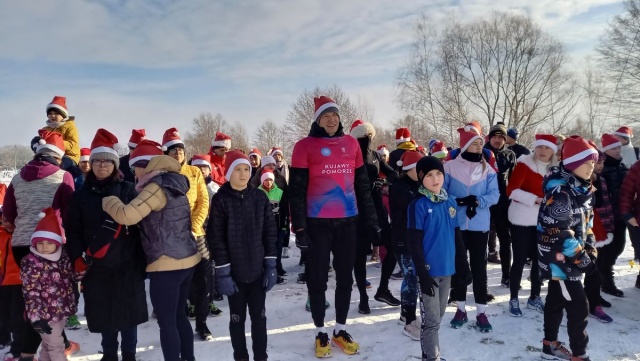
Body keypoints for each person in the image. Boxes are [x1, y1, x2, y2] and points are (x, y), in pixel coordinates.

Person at [289, 96, 378, 358]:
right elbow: (296, 191)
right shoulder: (304, 146)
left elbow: (363, 187)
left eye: (335, 115)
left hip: (348, 222)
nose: (331, 119)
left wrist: (371, 222)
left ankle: (340, 329)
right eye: (326, 115)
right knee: (317, 279)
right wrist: (300, 229)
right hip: (317, 224)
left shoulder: (351, 144)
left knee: (344, 278)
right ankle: (320, 331)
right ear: (317, 119)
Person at [102, 139, 200, 361]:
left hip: (166, 263)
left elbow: (127, 215)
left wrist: (109, 202)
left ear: (145, 166)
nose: (133, 172)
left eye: (135, 167)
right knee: (179, 317)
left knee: (167, 323)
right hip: (187, 258)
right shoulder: (176, 183)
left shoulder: (155, 187)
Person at [65, 129, 148, 361]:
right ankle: (109, 354)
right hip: (96, 265)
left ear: (114, 164)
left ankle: (129, 355)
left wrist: (142, 261)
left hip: (127, 264)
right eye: (97, 161)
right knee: (104, 314)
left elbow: (142, 228)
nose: (102, 165)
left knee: (129, 315)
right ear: (91, 164)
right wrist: (77, 256)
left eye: (107, 161)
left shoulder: (128, 190)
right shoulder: (80, 196)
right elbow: (73, 230)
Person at [2, 129, 79, 360]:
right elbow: (70, 212)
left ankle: (38, 349)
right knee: (51, 301)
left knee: (32, 299)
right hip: (52, 245)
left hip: (21, 246)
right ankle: (44, 349)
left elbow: (9, 213)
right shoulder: (62, 176)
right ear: (58, 156)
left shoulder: (17, 178)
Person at [208, 150, 277, 361]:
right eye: (237, 169)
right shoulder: (221, 200)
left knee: (260, 319)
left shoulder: (259, 197)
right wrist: (223, 272)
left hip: (257, 273)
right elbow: (216, 237)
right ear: (228, 173)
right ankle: (241, 357)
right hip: (234, 275)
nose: (243, 174)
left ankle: (260, 357)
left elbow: (269, 231)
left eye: (246, 169)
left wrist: (271, 265)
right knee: (237, 320)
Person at [537, 136, 596, 361]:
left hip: (570, 258)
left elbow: (586, 224)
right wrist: (581, 258)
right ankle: (580, 355)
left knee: (556, 299)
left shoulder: (582, 189)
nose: (591, 167)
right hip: (559, 260)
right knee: (579, 307)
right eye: (586, 162)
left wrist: (590, 247)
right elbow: (559, 233)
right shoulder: (560, 193)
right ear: (572, 163)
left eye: (593, 162)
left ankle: (549, 344)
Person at [445, 127, 500, 333]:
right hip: (457, 224)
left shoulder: (488, 170)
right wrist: (458, 201)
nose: (479, 146)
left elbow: (495, 195)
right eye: (474, 142)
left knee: (479, 268)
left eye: (480, 142)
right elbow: (442, 192)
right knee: (460, 268)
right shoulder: (449, 167)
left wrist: (478, 200)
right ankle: (460, 308)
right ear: (465, 144)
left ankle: (481, 312)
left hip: (479, 225)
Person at [161, 128, 213, 340]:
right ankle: (178, 322)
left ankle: (202, 322)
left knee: (204, 277)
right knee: (178, 280)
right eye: (173, 150)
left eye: (181, 150)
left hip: (196, 233)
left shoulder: (195, 172)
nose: (178, 153)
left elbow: (203, 201)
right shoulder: (161, 175)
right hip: (172, 236)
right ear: (166, 153)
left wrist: (195, 225)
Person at [407, 156, 459, 361]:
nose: (435, 179)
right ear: (421, 178)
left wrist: (463, 267)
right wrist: (422, 271)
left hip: (447, 269)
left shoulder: (450, 201)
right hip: (428, 271)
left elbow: (456, 236)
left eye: (439, 173)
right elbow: (414, 240)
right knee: (431, 321)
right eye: (429, 175)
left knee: (439, 316)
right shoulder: (418, 205)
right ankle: (431, 357)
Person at [349, 119, 399, 314]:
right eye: (363, 137)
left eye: (369, 136)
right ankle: (363, 297)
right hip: (358, 212)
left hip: (378, 211)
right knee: (359, 256)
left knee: (392, 249)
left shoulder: (377, 156)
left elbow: (393, 174)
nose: (367, 139)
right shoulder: (350, 157)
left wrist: (383, 183)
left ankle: (383, 289)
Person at [506, 134, 557, 317]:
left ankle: (535, 296)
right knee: (519, 259)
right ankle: (513, 298)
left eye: (547, 148)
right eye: (540, 147)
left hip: (544, 221)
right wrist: (535, 199)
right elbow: (511, 190)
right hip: (522, 219)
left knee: (539, 260)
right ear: (534, 148)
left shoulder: (556, 169)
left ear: (553, 150)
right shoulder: (525, 164)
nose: (543, 151)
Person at [20, 207, 77, 361]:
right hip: (43, 315)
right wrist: (36, 317)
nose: (44, 247)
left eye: (49, 243)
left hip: (60, 311)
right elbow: (30, 291)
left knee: (47, 347)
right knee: (55, 346)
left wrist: (82, 268)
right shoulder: (32, 263)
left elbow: (71, 277)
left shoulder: (62, 258)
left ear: (57, 244)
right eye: (40, 243)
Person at [389, 150, 423, 339]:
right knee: (411, 279)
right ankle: (409, 320)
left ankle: (406, 313)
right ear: (408, 169)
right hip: (403, 239)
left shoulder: (417, 185)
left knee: (413, 278)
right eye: (417, 168)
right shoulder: (401, 188)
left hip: (416, 239)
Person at [189, 154, 223, 317]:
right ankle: (193, 302)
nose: (202, 170)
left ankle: (209, 300)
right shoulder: (187, 186)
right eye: (199, 167)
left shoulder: (216, 188)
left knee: (209, 269)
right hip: (193, 232)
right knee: (193, 269)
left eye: (205, 167)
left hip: (212, 232)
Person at [483, 122, 516, 284]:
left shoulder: (510, 155)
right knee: (481, 241)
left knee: (505, 239)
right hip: (484, 202)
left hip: (503, 203)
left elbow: (515, 179)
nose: (497, 140)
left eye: (500, 137)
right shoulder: (481, 152)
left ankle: (506, 275)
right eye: (494, 136)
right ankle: (479, 277)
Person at [597, 134, 628, 297]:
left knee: (619, 246)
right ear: (606, 150)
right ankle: (605, 280)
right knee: (606, 250)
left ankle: (604, 273)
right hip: (606, 216)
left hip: (621, 214)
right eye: (613, 148)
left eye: (618, 148)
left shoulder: (621, 166)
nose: (617, 151)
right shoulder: (601, 167)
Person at [588, 148, 614, 323]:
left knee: (599, 267)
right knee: (591, 269)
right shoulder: (583, 181)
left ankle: (593, 296)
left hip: (603, 230)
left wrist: (610, 227)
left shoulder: (603, 180)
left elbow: (607, 206)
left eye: (602, 162)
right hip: (589, 231)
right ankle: (592, 302)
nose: (601, 166)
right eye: (598, 162)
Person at [0, 208, 28, 361]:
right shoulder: (1, 235)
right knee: (2, 315)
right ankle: (3, 338)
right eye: (4, 219)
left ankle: (17, 349)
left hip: (19, 282)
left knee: (17, 318)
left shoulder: (23, 236)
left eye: (11, 219)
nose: (7, 223)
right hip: (2, 282)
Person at [258, 169, 289, 284]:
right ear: (262, 181)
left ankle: (277, 267)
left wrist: (284, 225)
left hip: (277, 225)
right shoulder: (257, 192)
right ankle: (265, 270)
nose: (268, 182)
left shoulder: (280, 192)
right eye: (266, 180)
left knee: (277, 247)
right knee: (265, 249)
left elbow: (285, 210)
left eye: (271, 179)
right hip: (263, 227)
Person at [41, 96, 80, 168]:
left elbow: (73, 144)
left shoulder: (70, 126)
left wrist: (56, 142)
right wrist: (36, 143)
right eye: (50, 113)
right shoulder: (45, 129)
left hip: (69, 156)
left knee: (58, 166)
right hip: (52, 155)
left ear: (63, 115)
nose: (53, 116)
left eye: (56, 113)